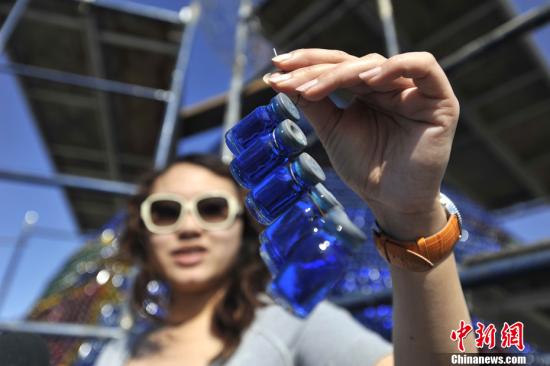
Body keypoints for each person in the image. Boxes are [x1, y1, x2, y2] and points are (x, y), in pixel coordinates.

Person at [96, 48, 476, 366]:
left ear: (242, 226)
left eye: (212, 209)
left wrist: (410, 214)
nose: (190, 227)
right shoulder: (121, 348)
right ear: (142, 232)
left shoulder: (292, 322)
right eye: (166, 212)